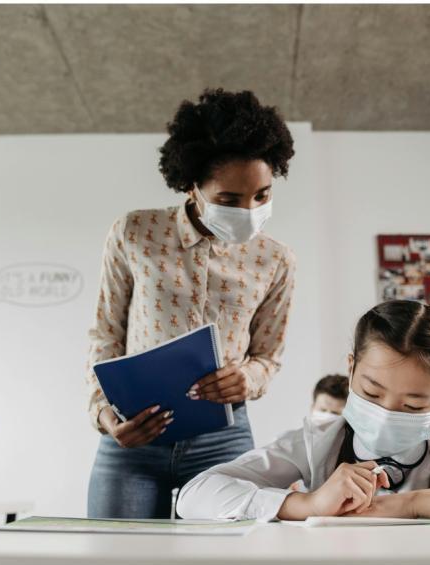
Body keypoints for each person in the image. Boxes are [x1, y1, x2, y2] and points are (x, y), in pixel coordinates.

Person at [177, 300, 430, 521]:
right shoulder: (317, 438)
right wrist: (307, 505)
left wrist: (409, 504)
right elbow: (195, 497)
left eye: (414, 405)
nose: (389, 412)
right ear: (351, 368)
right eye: (372, 394)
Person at [86, 88, 297, 519]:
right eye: (229, 200)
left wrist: (248, 378)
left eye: (262, 195)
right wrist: (104, 416)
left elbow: (268, 357)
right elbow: (105, 334)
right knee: (117, 559)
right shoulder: (135, 232)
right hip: (134, 434)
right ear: (191, 185)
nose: (250, 210)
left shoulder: (275, 260)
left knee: (223, 562)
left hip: (223, 438)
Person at [289, 374, 350, 491]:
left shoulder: (353, 452)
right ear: (312, 408)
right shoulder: (290, 444)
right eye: (322, 410)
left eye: (335, 414)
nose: (327, 417)